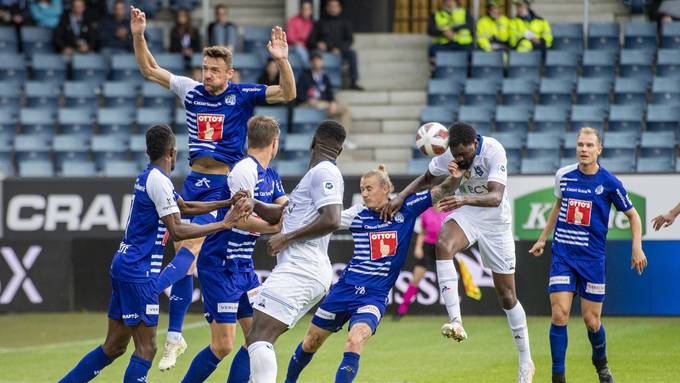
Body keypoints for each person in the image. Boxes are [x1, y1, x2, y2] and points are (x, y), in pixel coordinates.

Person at [130, 5, 296, 371]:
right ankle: (174, 336)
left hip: (225, 183)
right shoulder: (190, 91)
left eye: (215, 70)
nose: (208, 75)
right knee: (185, 258)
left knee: (193, 247)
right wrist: (139, 35)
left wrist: (282, 60)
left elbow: (287, 93)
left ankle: (152, 295)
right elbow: (149, 69)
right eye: (205, 69)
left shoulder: (242, 95)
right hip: (194, 182)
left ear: (229, 73)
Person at [57, 124, 253, 383]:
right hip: (139, 271)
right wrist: (224, 224)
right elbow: (178, 230)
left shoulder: (151, 176)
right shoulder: (159, 181)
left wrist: (226, 203)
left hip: (125, 264)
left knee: (113, 347)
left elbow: (184, 207)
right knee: (146, 349)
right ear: (173, 151)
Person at [382, 122, 535, 383]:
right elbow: (426, 180)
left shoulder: (494, 150)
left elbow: (496, 196)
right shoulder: (447, 154)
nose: (460, 159)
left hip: (496, 221)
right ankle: (456, 320)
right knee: (443, 245)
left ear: (475, 143)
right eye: (456, 155)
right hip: (469, 215)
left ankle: (525, 361)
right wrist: (400, 197)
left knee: (507, 297)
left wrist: (462, 198)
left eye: (464, 154)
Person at [284, 165, 459, 383]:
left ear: (386, 189)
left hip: (373, 296)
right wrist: (286, 234)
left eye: (369, 188)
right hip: (344, 290)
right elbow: (326, 222)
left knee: (355, 340)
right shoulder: (357, 213)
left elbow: (439, 191)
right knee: (311, 342)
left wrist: (455, 177)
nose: (364, 194)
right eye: (362, 189)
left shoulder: (407, 208)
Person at [529, 127, 648, 383]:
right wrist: (542, 238)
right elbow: (558, 206)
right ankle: (558, 376)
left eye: (589, 145)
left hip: (592, 259)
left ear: (599, 150)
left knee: (591, 320)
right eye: (580, 144)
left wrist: (636, 246)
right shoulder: (564, 176)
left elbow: (633, 215)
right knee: (560, 313)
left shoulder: (609, 182)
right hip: (563, 255)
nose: (584, 149)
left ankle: (601, 364)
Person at [180, 116, 288, 383]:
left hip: (243, 266)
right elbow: (240, 218)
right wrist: (275, 228)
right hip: (220, 262)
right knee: (223, 345)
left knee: (256, 339)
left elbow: (287, 210)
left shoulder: (272, 176)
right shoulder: (244, 170)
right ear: (274, 143)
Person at [246, 120, 346, 383]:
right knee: (257, 336)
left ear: (312, 141)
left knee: (259, 336)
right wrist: (252, 203)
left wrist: (285, 238)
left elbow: (333, 219)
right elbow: (281, 212)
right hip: (301, 268)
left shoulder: (325, 172)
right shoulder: (313, 176)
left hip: (303, 267)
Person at [308, 0, 363, 90]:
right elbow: (311, 40)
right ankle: (318, 84)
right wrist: (318, 44)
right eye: (331, 6)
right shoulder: (320, 23)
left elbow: (350, 40)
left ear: (340, 8)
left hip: (340, 51)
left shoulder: (345, 22)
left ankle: (353, 82)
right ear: (327, 8)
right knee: (315, 56)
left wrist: (340, 49)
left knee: (352, 54)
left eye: (336, 6)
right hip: (324, 52)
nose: (333, 9)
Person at [297, 51, 351, 132]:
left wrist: (333, 102)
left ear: (322, 62)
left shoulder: (325, 77)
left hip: (323, 105)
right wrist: (308, 100)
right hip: (307, 105)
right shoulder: (304, 76)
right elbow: (299, 94)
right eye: (314, 61)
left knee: (346, 110)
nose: (316, 63)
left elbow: (330, 94)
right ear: (310, 62)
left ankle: (343, 138)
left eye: (318, 60)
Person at [286, 0, 314, 68]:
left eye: (308, 9)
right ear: (300, 10)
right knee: (300, 49)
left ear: (311, 11)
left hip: (306, 47)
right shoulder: (293, 20)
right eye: (304, 9)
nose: (306, 11)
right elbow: (289, 37)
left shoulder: (312, 23)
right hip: (292, 46)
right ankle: (309, 69)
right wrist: (297, 42)